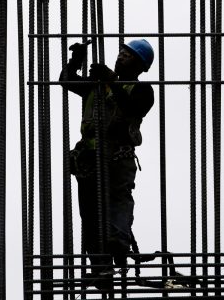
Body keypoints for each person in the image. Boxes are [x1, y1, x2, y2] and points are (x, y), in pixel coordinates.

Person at [61, 38, 155, 287]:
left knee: (117, 207)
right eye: (122, 52)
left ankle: (119, 250)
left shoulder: (142, 90)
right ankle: (101, 269)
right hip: (90, 161)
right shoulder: (97, 85)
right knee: (90, 217)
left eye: (130, 55)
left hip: (117, 160)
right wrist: (76, 60)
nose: (122, 56)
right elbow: (66, 80)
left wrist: (112, 80)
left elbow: (132, 109)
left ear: (141, 66)